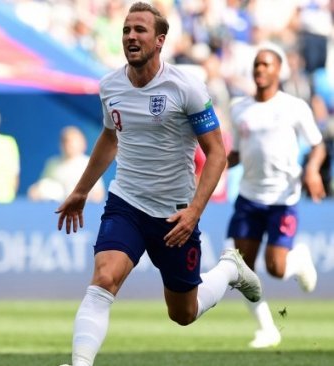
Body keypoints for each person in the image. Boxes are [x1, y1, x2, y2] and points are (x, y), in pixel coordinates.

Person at [55, 3, 262, 366]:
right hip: (127, 203)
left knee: (183, 313)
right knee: (104, 278)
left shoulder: (187, 88)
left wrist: (195, 212)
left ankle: (230, 269)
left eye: (140, 30)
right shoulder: (110, 86)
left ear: (160, 40)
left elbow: (217, 153)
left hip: (175, 215)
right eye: (126, 30)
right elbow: (110, 136)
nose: (131, 37)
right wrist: (82, 189)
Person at [226, 47, 326, 349]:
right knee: (241, 270)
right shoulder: (239, 108)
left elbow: (318, 145)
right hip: (248, 197)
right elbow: (237, 154)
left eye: (266, 64)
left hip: (282, 198)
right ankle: (267, 329)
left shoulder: (294, 107)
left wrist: (311, 170)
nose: (260, 69)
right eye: (257, 64)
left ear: (278, 70)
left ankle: (299, 259)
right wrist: (211, 167)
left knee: (276, 268)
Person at [28, 125, 105, 203]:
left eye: (72, 142)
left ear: (82, 144)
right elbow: (41, 187)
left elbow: (98, 194)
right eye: (65, 141)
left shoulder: (90, 164)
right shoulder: (52, 163)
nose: (69, 145)